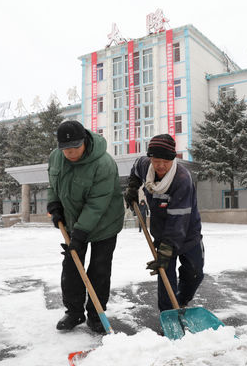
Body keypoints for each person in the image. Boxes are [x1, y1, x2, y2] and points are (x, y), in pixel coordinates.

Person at [47, 120, 124, 334]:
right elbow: (53, 185)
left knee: (99, 268)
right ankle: (74, 312)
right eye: (65, 149)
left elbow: (97, 203)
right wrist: (54, 205)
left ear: (85, 142)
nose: (70, 154)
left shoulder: (104, 164)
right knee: (71, 266)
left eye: (75, 148)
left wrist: (80, 233)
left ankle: (96, 314)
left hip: (105, 222)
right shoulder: (56, 157)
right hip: (73, 220)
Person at [124, 134, 204, 312]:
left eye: (165, 161)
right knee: (165, 274)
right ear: (150, 158)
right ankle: (168, 312)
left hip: (188, 231)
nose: (160, 166)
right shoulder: (145, 165)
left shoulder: (182, 179)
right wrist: (132, 186)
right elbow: (136, 167)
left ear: (173, 158)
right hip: (161, 231)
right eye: (155, 160)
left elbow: (178, 220)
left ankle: (181, 301)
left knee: (195, 273)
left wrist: (168, 249)